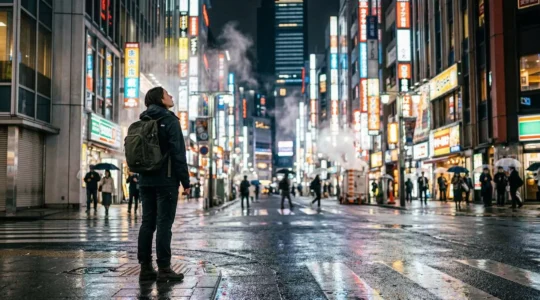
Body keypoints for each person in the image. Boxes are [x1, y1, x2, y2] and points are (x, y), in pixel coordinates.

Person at [136, 87, 191, 282]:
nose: (171, 96)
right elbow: (178, 153)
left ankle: (145, 268)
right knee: (164, 224)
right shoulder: (169, 120)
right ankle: (165, 268)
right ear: (161, 99)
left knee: (147, 223)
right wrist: (186, 181)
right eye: (168, 94)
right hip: (166, 180)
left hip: (144, 180)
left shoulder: (142, 119)